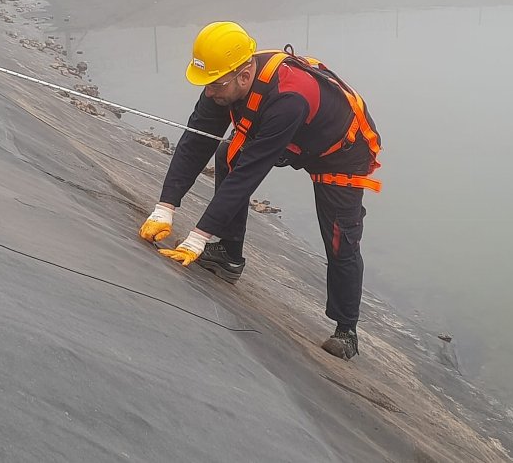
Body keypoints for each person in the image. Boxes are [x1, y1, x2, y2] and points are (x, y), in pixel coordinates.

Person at [139, 22, 382, 360]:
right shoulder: (222, 80)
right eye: (206, 85)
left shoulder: (289, 98)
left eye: (216, 85)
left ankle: (347, 329)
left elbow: (249, 175)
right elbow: (195, 141)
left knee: (341, 238)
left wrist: (196, 237)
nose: (210, 93)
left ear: (244, 74)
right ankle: (228, 255)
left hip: (339, 153)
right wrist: (164, 207)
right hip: (290, 136)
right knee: (227, 152)